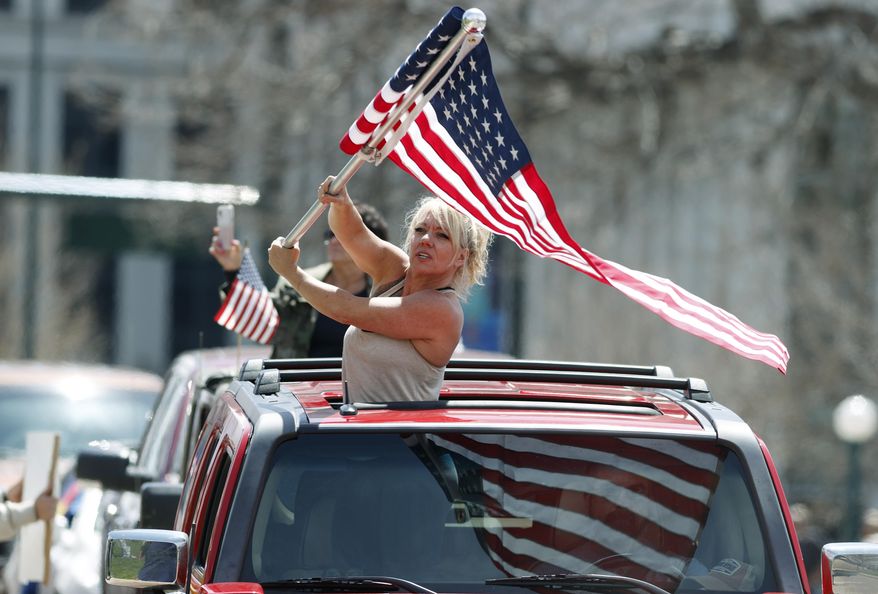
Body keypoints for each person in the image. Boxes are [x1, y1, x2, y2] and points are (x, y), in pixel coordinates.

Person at [268, 176, 492, 403]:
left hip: (396, 436)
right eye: (420, 229)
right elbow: (354, 234)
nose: (425, 239)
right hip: (358, 428)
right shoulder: (396, 269)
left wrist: (291, 273)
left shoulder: (443, 309)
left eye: (442, 235)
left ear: (461, 257)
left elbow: (346, 310)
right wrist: (341, 202)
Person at [210, 202, 389, 358]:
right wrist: (233, 268)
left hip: (363, 395)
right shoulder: (295, 282)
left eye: (343, 234)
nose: (334, 241)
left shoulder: (389, 293)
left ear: (371, 242)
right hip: (297, 391)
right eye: (330, 233)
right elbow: (262, 318)